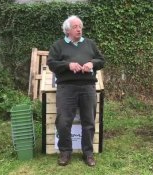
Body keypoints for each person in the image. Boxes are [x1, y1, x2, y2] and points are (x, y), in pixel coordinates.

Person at [47, 15, 105, 167]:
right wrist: (68, 66)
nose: (79, 29)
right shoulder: (58, 45)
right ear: (67, 30)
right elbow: (52, 64)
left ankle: (88, 153)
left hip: (87, 87)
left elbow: (101, 61)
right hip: (66, 88)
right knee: (64, 121)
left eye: (80, 26)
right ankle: (65, 152)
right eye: (75, 27)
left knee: (89, 121)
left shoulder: (90, 44)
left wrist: (92, 64)